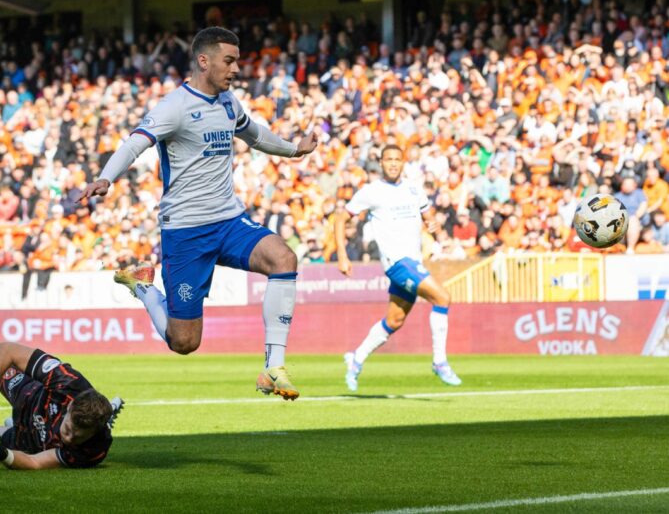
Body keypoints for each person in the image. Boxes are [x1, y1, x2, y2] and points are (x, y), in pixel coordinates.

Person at [78, 27, 316, 400]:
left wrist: (294, 150)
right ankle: (143, 287)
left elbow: (255, 136)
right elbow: (134, 144)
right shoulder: (174, 107)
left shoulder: (228, 103)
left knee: (283, 257)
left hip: (228, 220)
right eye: (229, 61)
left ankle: (273, 367)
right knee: (184, 342)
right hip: (186, 231)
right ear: (204, 61)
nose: (236, 69)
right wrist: (105, 178)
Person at [335, 144, 461, 391]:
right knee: (442, 298)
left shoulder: (414, 190)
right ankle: (439, 362)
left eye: (397, 159)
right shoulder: (371, 191)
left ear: (404, 163)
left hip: (413, 262)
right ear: (381, 163)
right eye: (388, 159)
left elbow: (429, 217)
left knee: (394, 321)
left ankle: (356, 359)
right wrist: (342, 254)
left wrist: (435, 228)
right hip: (398, 264)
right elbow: (341, 218)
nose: (393, 163)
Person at [0, 342, 123, 470]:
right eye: (68, 429)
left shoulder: (94, 450)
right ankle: (105, 413)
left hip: (31, 444)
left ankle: (12, 428)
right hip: (26, 394)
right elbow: (5, 349)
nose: (68, 439)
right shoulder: (67, 382)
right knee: (1, 367)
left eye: (78, 437)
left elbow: (35, 462)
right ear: (70, 405)